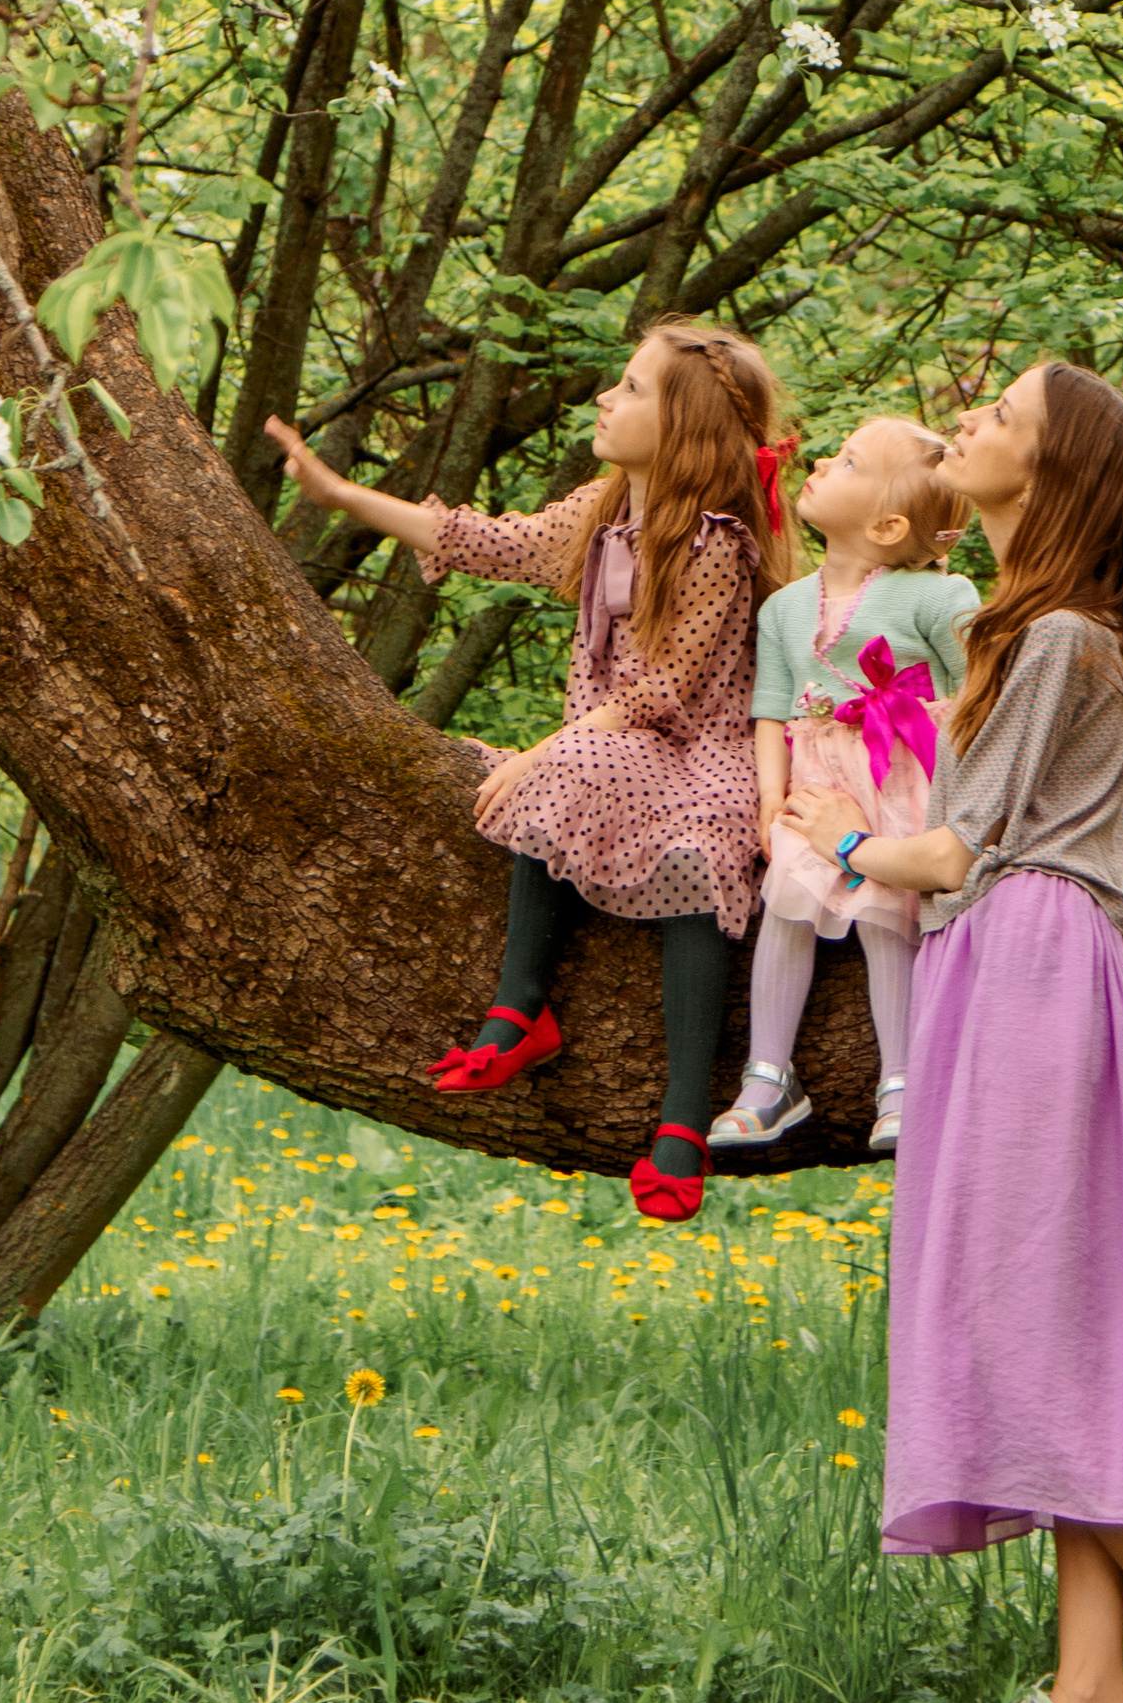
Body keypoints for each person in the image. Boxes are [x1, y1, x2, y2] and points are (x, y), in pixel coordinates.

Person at [787, 358, 1123, 1703]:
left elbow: (956, 848)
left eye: (1000, 420)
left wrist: (825, 840)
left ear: (1054, 477)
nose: (970, 425)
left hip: (1024, 959)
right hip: (1002, 964)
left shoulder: (1067, 637)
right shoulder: (1034, 632)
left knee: (1024, 1332)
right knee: (1055, 1327)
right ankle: (1086, 1702)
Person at [264, 323, 798, 1224]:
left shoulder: (712, 541)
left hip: (699, 755)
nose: (605, 399)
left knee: (701, 860)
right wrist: (343, 493)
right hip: (613, 747)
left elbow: (663, 693)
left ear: (684, 426)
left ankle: (682, 1124)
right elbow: (486, 541)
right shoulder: (603, 511)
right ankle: (519, 1014)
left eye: (631, 390)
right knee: (558, 773)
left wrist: (552, 751)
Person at [714, 417, 977, 1161]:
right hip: (812, 785)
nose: (825, 460)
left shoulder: (938, 596)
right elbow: (771, 709)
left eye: (851, 461)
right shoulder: (783, 608)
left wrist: (952, 785)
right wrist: (770, 800)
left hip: (899, 780)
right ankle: (766, 1078)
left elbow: (979, 695)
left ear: (889, 524)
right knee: (786, 909)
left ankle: (901, 1081)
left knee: (884, 913)